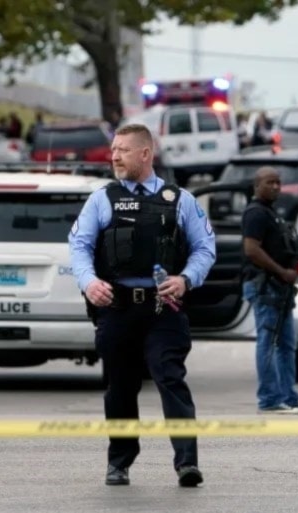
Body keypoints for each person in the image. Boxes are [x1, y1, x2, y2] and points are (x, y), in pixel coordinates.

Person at [68, 123, 216, 488]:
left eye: (123, 149)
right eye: (114, 149)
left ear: (146, 154)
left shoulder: (179, 199)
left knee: (170, 378)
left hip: (163, 308)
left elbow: (205, 249)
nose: (114, 155)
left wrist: (185, 280)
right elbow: (79, 247)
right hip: (118, 308)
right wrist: (89, 283)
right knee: (120, 387)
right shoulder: (102, 199)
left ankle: (187, 463)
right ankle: (119, 462)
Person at [241, 166, 298, 415]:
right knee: (269, 342)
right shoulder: (255, 213)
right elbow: (251, 249)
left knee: (287, 345)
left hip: (280, 289)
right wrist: (281, 271)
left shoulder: (271, 213)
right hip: (266, 286)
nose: (275, 186)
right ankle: (269, 400)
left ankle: (289, 397)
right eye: (269, 182)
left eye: (278, 182)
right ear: (257, 186)